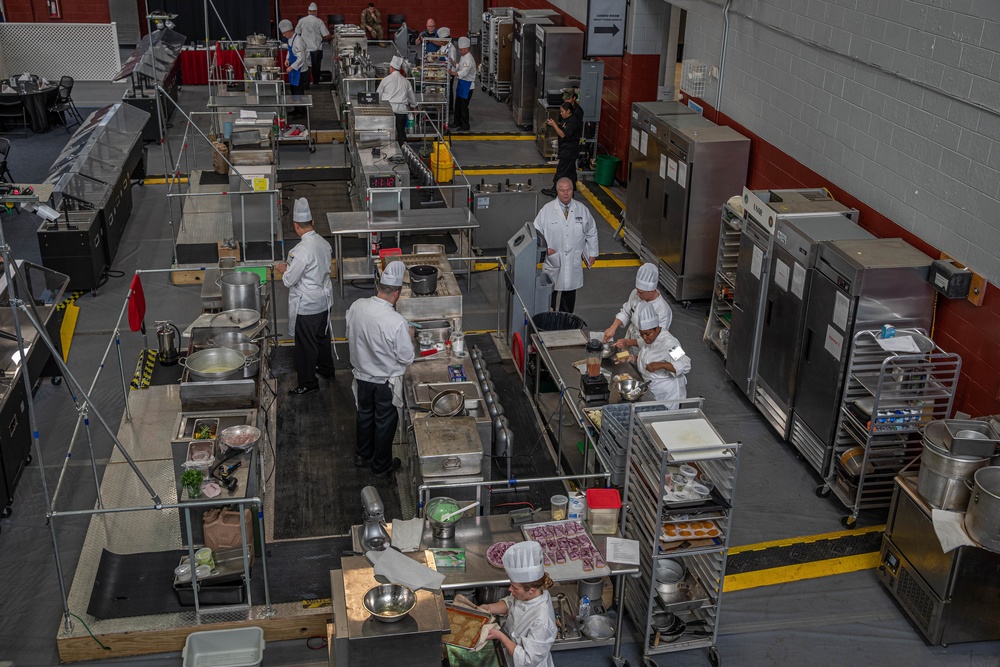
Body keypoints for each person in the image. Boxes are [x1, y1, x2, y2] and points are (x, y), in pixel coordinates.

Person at [346, 261, 414, 478]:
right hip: (385, 383)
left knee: (364, 415)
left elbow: (350, 333)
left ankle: (361, 455)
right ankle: (381, 466)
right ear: (397, 293)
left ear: (379, 286)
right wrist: (409, 338)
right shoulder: (396, 322)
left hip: (361, 377)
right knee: (385, 423)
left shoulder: (357, 306)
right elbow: (407, 357)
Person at [276, 198, 335, 396]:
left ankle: (308, 383)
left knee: (305, 346)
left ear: (295, 226)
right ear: (313, 223)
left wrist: (284, 269)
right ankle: (326, 370)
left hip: (308, 306)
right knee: (322, 338)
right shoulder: (324, 243)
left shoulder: (300, 252)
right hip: (325, 302)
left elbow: (289, 280)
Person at [480, 541, 557, 667]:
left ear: (531, 590)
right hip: (509, 655)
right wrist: (489, 608)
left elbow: (528, 660)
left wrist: (500, 636)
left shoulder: (542, 620)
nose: (510, 589)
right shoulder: (528, 594)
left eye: (514, 588)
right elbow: (511, 603)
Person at [532, 177, 598, 313]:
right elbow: (536, 232)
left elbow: (591, 231)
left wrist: (592, 253)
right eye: (562, 190)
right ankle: (548, 320)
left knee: (569, 295)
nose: (566, 193)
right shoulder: (547, 210)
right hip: (553, 259)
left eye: (568, 190)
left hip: (573, 261)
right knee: (550, 293)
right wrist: (544, 250)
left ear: (573, 190)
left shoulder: (582, 209)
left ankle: (566, 323)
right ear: (557, 191)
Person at [633, 302, 691, 407]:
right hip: (653, 390)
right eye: (642, 334)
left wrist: (661, 365)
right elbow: (647, 357)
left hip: (669, 396)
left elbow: (686, 364)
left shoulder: (669, 343)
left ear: (657, 329)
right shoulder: (649, 341)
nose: (644, 338)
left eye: (647, 334)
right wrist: (633, 358)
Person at [603, 263, 673, 348]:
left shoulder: (663, 310)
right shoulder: (636, 293)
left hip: (649, 347)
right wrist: (612, 328)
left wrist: (628, 342)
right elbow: (626, 312)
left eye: (641, 292)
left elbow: (655, 339)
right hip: (632, 339)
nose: (637, 294)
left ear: (651, 291)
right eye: (637, 290)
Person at [540, 102, 582, 197]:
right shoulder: (565, 119)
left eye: (562, 111)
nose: (561, 113)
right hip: (567, 149)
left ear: (568, 111)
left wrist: (554, 125)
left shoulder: (572, 121)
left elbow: (563, 134)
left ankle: (555, 190)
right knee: (570, 170)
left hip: (569, 151)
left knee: (562, 170)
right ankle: (572, 187)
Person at [376, 55, 417, 145]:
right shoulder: (406, 82)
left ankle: (387, 151)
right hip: (401, 111)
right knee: (401, 133)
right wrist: (414, 108)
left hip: (388, 111)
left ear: (391, 68)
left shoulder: (385, 80)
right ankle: (404, 152)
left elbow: (377, 95)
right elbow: (412, 98)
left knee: (386, 133)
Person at [296, 3, 331, 85]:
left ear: (308, 11)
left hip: (305, 48)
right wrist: (331, 37)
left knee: (305, 67)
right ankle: (316, 82)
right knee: (316, 66)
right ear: (316, 12)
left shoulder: (301, 21)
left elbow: (297, 33)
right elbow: (325, 35)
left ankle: (306, 84)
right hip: (316, 48)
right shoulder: (319, 21)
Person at [279, 19, 310, 100]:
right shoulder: (290, 39)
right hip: (294, 69)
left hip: (300, 70)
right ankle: (296, 109)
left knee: (298, 92)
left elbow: (301, 58)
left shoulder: (298, 41)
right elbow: (290, 51)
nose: (283, 35)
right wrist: (287, 59)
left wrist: (291, 67)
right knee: (293, 90)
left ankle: (301, 111)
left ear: (289, 31)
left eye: (284, 33)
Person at [452, 36, 476, 132]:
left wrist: (451, 73)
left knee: (463, 107)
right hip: (462, 84)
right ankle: (457, 122)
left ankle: (465, 125)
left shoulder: (469, 59)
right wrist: (452, 62)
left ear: (466, 49)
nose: (460, 51)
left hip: (467, 86)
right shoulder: (463, 57)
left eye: (461, 50)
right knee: (457, 105)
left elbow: (464, 73)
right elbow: (459, 67)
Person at [436, 27, 457, 116]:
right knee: (445, 89)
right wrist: (434, 56)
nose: (441, 42)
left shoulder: (452, 48)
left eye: (442, 41)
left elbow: (452, 61)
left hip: (450, 72)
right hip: (443, 70)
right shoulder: (444, 45)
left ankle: (450, 108)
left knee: (449, 89)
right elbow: (439, 52)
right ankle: (445, 104)